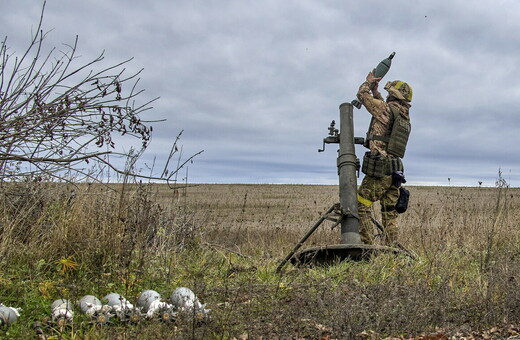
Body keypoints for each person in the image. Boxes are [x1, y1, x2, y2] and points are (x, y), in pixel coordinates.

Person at [355, 71, 413, 246]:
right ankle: (391, 251)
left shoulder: (385, 109)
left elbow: (362, 96)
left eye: (389, 94)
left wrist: (368, 83)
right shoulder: (403, 116)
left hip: (380, 170)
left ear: (393, 95)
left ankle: (366, 248)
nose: (386, 96)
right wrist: (377, 93)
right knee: (389, 212)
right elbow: (384, 108)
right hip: (395, 171)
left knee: (361, 206)